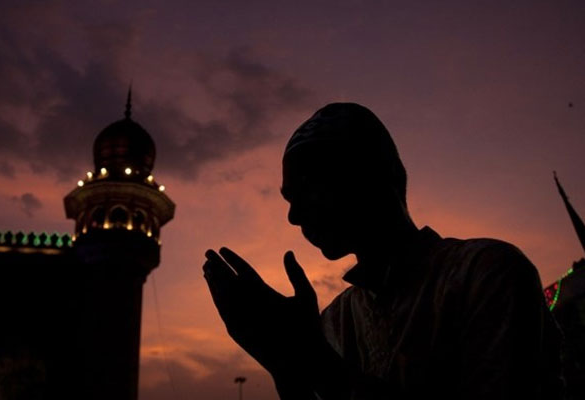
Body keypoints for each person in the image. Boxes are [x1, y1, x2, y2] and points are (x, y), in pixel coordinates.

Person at [202, 103, 564, 399]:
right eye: (289, 199)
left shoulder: (484, 275)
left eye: (308, 188)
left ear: (369, 175)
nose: (293, 216)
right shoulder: (336, 321)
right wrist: (284, 364)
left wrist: (314, 360)